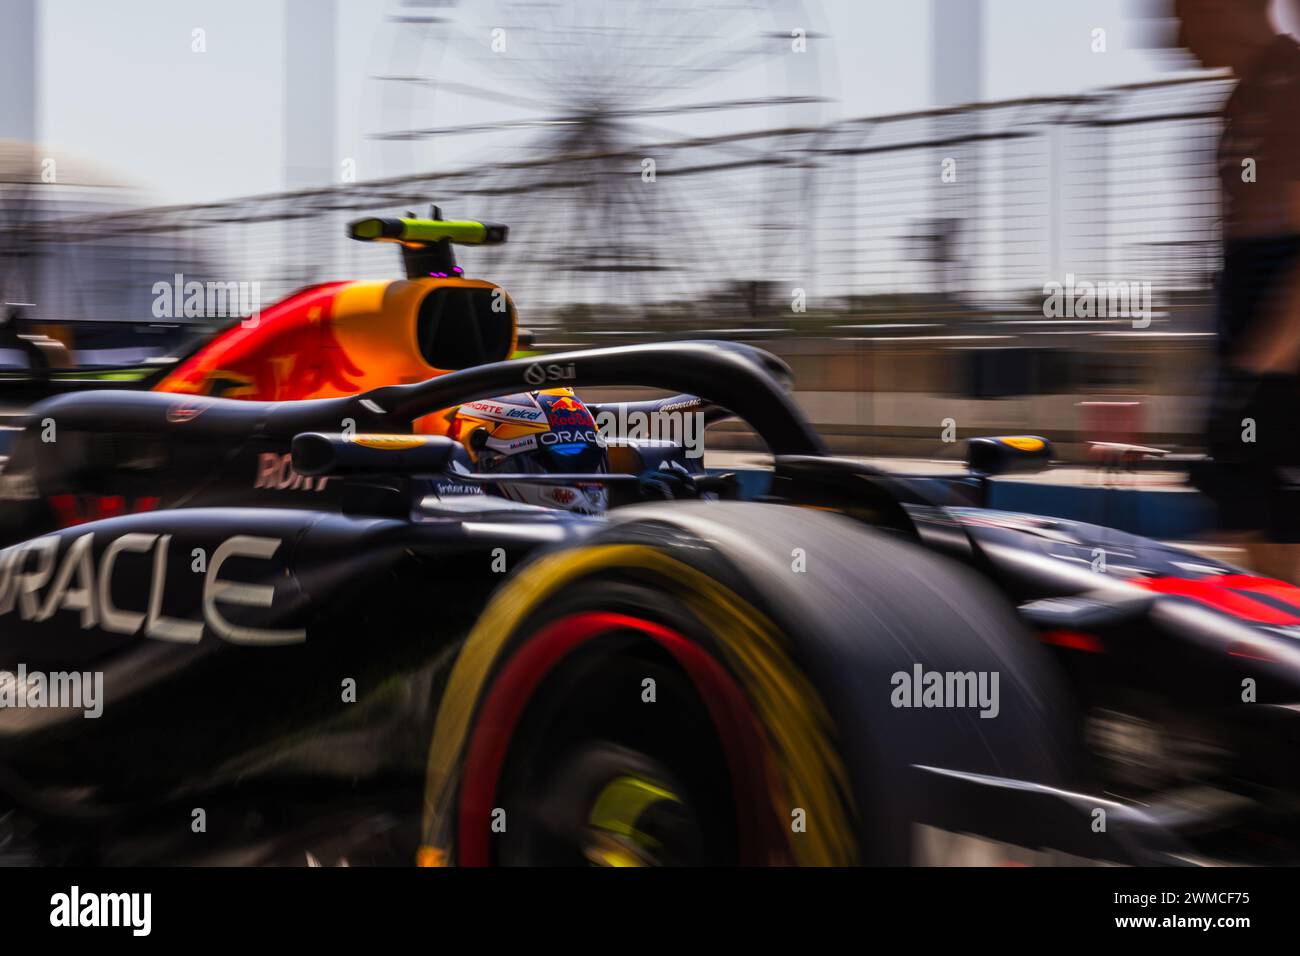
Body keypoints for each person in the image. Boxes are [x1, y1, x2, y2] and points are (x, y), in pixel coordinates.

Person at [1175, 0, 1300, 579]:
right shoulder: (1238, 98)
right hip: (1250, 319)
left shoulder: (1290, 87)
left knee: (1276, 520)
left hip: (1278, 335)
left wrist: (1254, 376)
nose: (1176, 38)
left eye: (1184, 16)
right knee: (1251, 512)